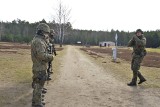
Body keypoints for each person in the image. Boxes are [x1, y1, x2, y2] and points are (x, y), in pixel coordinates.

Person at [31, 23, 53, 107]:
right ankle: (37, 104)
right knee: (38, 86)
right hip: (39, 67)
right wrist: (51, 57)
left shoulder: (39, 40)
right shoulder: (38, 42)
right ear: (42, 32)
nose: (47, 35)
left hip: (40, 66)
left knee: (38, 85)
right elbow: (41, 56)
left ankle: (36, 101)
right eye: (46, 33)